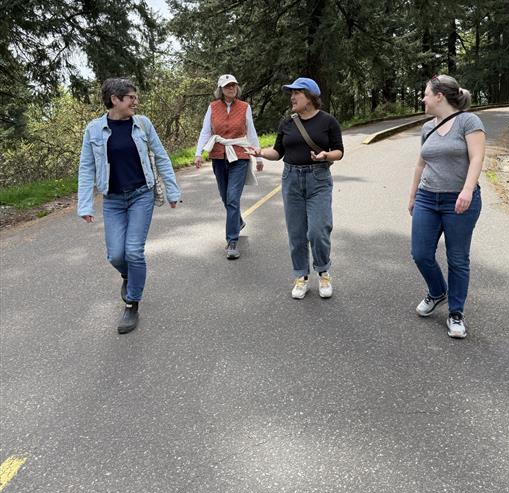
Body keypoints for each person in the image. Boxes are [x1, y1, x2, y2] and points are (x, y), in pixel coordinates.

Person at [78, 78, 181, 334]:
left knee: (133, 251)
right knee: (116, 255)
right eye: (131, 98)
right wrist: (85, 205)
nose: (136, 102)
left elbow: (161, 156)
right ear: (115, 99)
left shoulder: (143, 124)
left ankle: (132, 303)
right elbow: (86, 168)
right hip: (112, 200)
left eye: (135, 98)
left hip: (140, 195)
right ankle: (129, 275)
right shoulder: (93, 130)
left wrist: (172, 190)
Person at [408, 74, 486, 339]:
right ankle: (437, 291)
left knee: (457, 258)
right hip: (428, 198)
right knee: (420, 253)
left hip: (459, 200)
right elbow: (421, 164)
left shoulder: (468, 121)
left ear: (439, 96)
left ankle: (456, 312)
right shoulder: (427, 127)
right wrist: (412, 196)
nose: (423, 99)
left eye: (426, 94)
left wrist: (466, 190)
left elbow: (477, 157)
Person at [251, 78, 344, 299]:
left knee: (318, 230)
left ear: (310, 97)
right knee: (296, 233)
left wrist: (325, 155)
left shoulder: (328, 122)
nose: (292, 97)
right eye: (291, 93)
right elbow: (278, 152)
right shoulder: (288, 123)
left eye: (297, 93)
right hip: (291, 179)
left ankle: (323, 271)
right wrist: (261, 152)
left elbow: (339, 151)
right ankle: (301, 276)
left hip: (318, 179)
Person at [194, 74, 263, 259]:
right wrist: (198, 153)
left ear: (237, 88)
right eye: (226, 86)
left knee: (233, 198)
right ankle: (238, 221)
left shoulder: (245, 107)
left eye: (233, 85)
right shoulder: (212, 107)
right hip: (218, 155)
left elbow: (251, 131)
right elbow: (206, 131)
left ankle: (232, 241)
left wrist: (258, 156)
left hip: (239, 156)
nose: (230, 89)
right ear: (220, 89)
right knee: (225, 197)